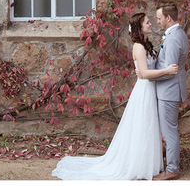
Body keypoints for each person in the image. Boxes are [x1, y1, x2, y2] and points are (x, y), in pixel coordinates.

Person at [52, 12, 179, 180]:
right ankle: (138, 164)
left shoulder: (146, 44)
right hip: (145, 91)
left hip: (151, 89)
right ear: (139, 27)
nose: (150, 24)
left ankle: (148, 161)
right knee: (143, 126)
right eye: (147, 22)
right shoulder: (138, 47)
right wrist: (167, 71)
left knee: (148, 127)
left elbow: (145, 69)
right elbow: (145, 72)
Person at [149, 2, 189, 181]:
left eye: (159, 18)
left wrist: (148, 76)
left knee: (169, 131)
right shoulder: (177, 34)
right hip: (170, 90)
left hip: (169, 91)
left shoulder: (173, 38)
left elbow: (170, 70)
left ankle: (172, 168)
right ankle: (168, 162)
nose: (157, 21)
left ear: (168, 18)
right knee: (169, 129)